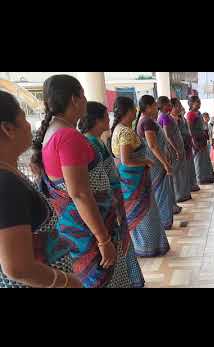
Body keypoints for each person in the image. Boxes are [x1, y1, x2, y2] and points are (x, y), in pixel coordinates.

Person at [31, 74, 126, 288]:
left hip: (78, 228)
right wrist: (103, 239)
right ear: (75, 99)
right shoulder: (68, 137)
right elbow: (79, 193)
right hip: (89, 231)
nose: (85, 100)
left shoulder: (52, 133)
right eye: (83, 95)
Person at [0, 90, 81, 288]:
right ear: (8, 128)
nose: (29, 126)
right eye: (24, 117)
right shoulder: (6, 185)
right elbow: (17, 268)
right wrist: (65, 282)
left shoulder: (10, 175)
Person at [79, 101, 145, 287]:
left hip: (113, 200)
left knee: (123, 244)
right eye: (106, 117)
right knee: (117, 247)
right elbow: (96, 183)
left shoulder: (97, 141)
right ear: (97, 121)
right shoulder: (90, 144)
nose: (109, 120)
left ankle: (130, 280)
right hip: (108, 206)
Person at [111, 96, 170, 257]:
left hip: (131, 180)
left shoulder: (119, 129)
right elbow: (126, 160)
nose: (135, 112)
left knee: (141, 212)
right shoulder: (124, 132)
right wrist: (145, 161)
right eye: (133, 109)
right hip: (134, 181)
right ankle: (148, 246)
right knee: (145, 213)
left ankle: (146, 245)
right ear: (128, 111)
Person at [136, 95, 175, 230]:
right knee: (161, 192)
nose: (156, 108)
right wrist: (165, 163)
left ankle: (164, 221)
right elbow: (153, 146)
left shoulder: (148, 120)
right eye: (153, 105)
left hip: (157, 162)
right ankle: (164, 222)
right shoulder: (146, 122)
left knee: (162, 191)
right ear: (147, 107)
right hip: (156, 163)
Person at [159, 97, 191, 203]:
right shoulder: (164, 117)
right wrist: (176, 150)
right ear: (163, 105)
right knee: (176, 172)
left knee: (181, 171)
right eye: (169, 104)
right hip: (173, 149)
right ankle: (178, 195)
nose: (170, 106)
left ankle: (182, 194)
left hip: (178, 147)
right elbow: (167, 136)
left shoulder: (168, 116)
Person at [171, 98, 200, 193]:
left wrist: (191, 142)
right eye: (178, 105)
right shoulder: (172, 119)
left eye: (180, 105)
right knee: (182, 169)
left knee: (190, 166)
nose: (180, 107)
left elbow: (188, 131)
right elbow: (170, 135)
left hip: (186, 145)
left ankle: (191, 185)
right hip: (179, 146)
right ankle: (182, 191)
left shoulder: (182, 118)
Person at [186, 96, 214, 184]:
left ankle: (207, 177)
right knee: (198, 160)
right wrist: (194, 141)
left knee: (204, 159)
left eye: (199, 102)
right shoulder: (190, 114)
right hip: (196, 140)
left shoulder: (198, 113)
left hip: (202, 139)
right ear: (191, 104)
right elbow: (190, 128)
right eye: (197, 102)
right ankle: (200, 178)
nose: (199, 104)